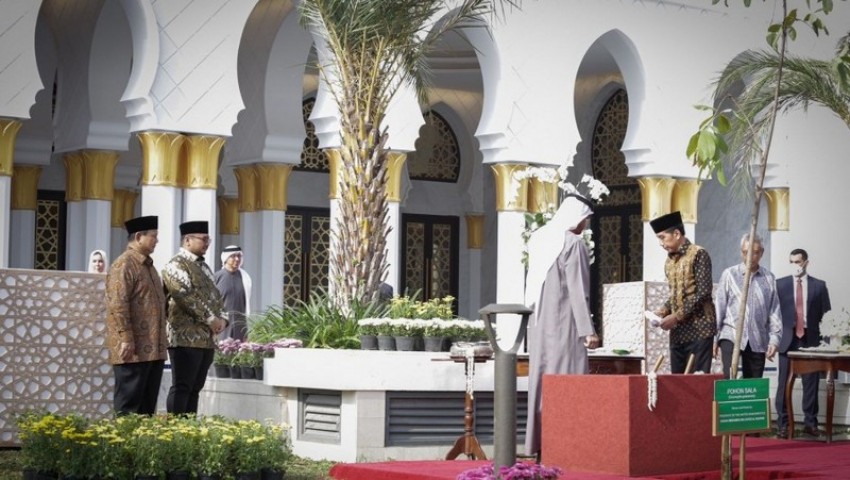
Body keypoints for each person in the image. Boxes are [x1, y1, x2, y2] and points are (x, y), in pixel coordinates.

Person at [523, 194, 600, 458]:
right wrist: (587, 331)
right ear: (578, 216)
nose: (586, 226)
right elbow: (578, 290)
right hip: (565, 321)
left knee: (543, 379)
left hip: (539, 321)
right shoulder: (572, 243)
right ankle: (566, 443)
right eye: (586, 219)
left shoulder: (540, 238)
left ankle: (540, 444)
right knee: (568, 378)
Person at [161, 221, 227, 414]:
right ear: (188, 240)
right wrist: (210, 319)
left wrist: (223, 318)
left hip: (206, 339)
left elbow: (216, 296)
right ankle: (175, 432)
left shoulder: (205, 267)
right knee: (182, 387)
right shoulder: (175, 265)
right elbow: (184, 296)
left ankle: (189, 432)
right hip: (183, 338)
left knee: (195, 389)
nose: (207, 243)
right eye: (203, 239)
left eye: (208, 239)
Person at [105, 215, 167, 415]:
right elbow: (117, 303)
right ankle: (124, 446)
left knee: (147, 409)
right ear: (139, 236)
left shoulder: (149, 266)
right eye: (154, 236)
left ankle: (141, 446)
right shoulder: (124, 264)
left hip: (153, 350)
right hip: (132, 351)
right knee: (129, 407)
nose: (157, 240)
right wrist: (125, 338)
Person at [650, 211, 716, 374]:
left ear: (677, 234)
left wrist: (676, 316)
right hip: (678, 333)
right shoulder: (669, 261)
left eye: (662, 237)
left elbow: (703, 292)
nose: (661, 243)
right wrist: (663, 311)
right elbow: (675, 295)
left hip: (700, 329)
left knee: (697, 385)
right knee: (678, 384)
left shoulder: (698, 254)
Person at [775, 248, 831, 439]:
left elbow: (828, 316)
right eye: (791, 262)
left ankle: (810, 423)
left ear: (806, 262)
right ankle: (782, 424)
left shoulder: (819, 286)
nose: (795, 266)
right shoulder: (780, 285)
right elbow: (773, 314)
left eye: (798, 262)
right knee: (783, 383)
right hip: (787, 339)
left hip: (810, 339)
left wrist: (826, 344)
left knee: (811, 383)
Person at [713, 233, 781, 379]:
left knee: (754, 385)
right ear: (741, 252)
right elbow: (719, 307)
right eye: (745, 252)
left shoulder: (769, 278)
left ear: (761, 253)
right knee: (729, 379)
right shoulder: (729, 274)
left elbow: (774, 312)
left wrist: (774, 340)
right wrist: (714, 338)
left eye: (755, 253)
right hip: (730, 335)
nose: (750, 257)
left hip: (757, 337)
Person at [214, 245, 253, 341]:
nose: (236, 259)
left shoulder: (245, 278)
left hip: (240, 327)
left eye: (239, 256)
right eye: (233, 256)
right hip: (221, 327)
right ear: (226, 258)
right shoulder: (217, 277)